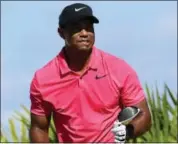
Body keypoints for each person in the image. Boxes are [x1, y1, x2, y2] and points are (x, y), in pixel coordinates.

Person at [29, 3, 152, 143]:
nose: (84, 33)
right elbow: (39, 128)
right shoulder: (43, 79)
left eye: (89, 28)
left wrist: (127, 131)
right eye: (76, 28)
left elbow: (144, 116)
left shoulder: (119, 69)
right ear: (61, 33)